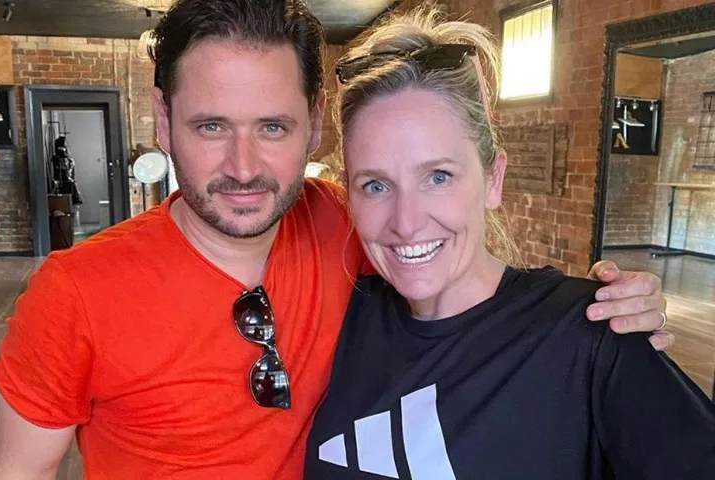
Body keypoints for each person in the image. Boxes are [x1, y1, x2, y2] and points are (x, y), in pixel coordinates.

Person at [0, 1, 670, 479]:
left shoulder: (356, 224)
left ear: (315, 123)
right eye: (210, 127)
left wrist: (603, 310)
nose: (243, 167)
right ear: (164, 120)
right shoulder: (75, 293)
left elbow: (456, 259)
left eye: (273, 127)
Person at [305, 7, 715, 479]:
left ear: (493, 179)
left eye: (438, 176)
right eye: (375, 185)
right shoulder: (341, 318)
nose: (406, 222)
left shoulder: (589, 333)